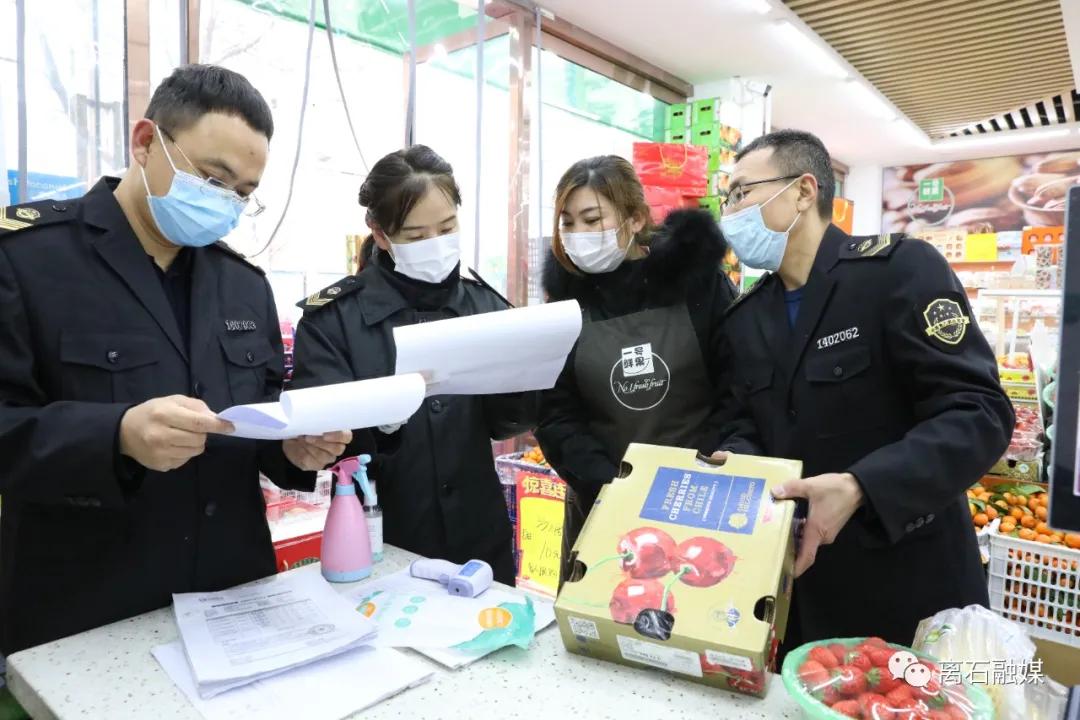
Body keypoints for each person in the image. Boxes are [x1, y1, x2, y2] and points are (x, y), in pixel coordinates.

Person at [0, 65, 351, 654]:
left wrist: (294, 448)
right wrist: (114, 435)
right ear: (145, 143)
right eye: (214, 179)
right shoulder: (29, 261)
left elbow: (257, 418)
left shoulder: (243, 285)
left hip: (234, 601)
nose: (227, 204)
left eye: (243, 193)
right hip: (88, 612)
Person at [711, 129, 1013, 647]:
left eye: (741, 193)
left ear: (804, 191)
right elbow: (745, 422)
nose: (730, 212)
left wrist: (861, 486)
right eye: (727, 198)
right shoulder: (745, 318)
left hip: (907, 583)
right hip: (796, 591)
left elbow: (979, 413)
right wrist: (736, 462)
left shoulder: (897, 272)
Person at [290, 145, 536, 585]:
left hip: (479, 539)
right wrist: (384, 419)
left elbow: (501, 423)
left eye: (447, 227)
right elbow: (321, 443)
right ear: (380, 234)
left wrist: (533, 379)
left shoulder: (487, 306)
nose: (436, 246)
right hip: (382, 536)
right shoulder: (333, 319)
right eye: (417, 236)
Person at [534, 155, 737, 585]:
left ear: (635, 218)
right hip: (601, 506)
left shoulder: (698, 286)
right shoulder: (566, 307)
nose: (578, 235)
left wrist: (708, 469)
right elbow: (555, 414)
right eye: (567, 223)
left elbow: (737, 388)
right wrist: (611, 485)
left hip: (699, 501)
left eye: (592, 219)